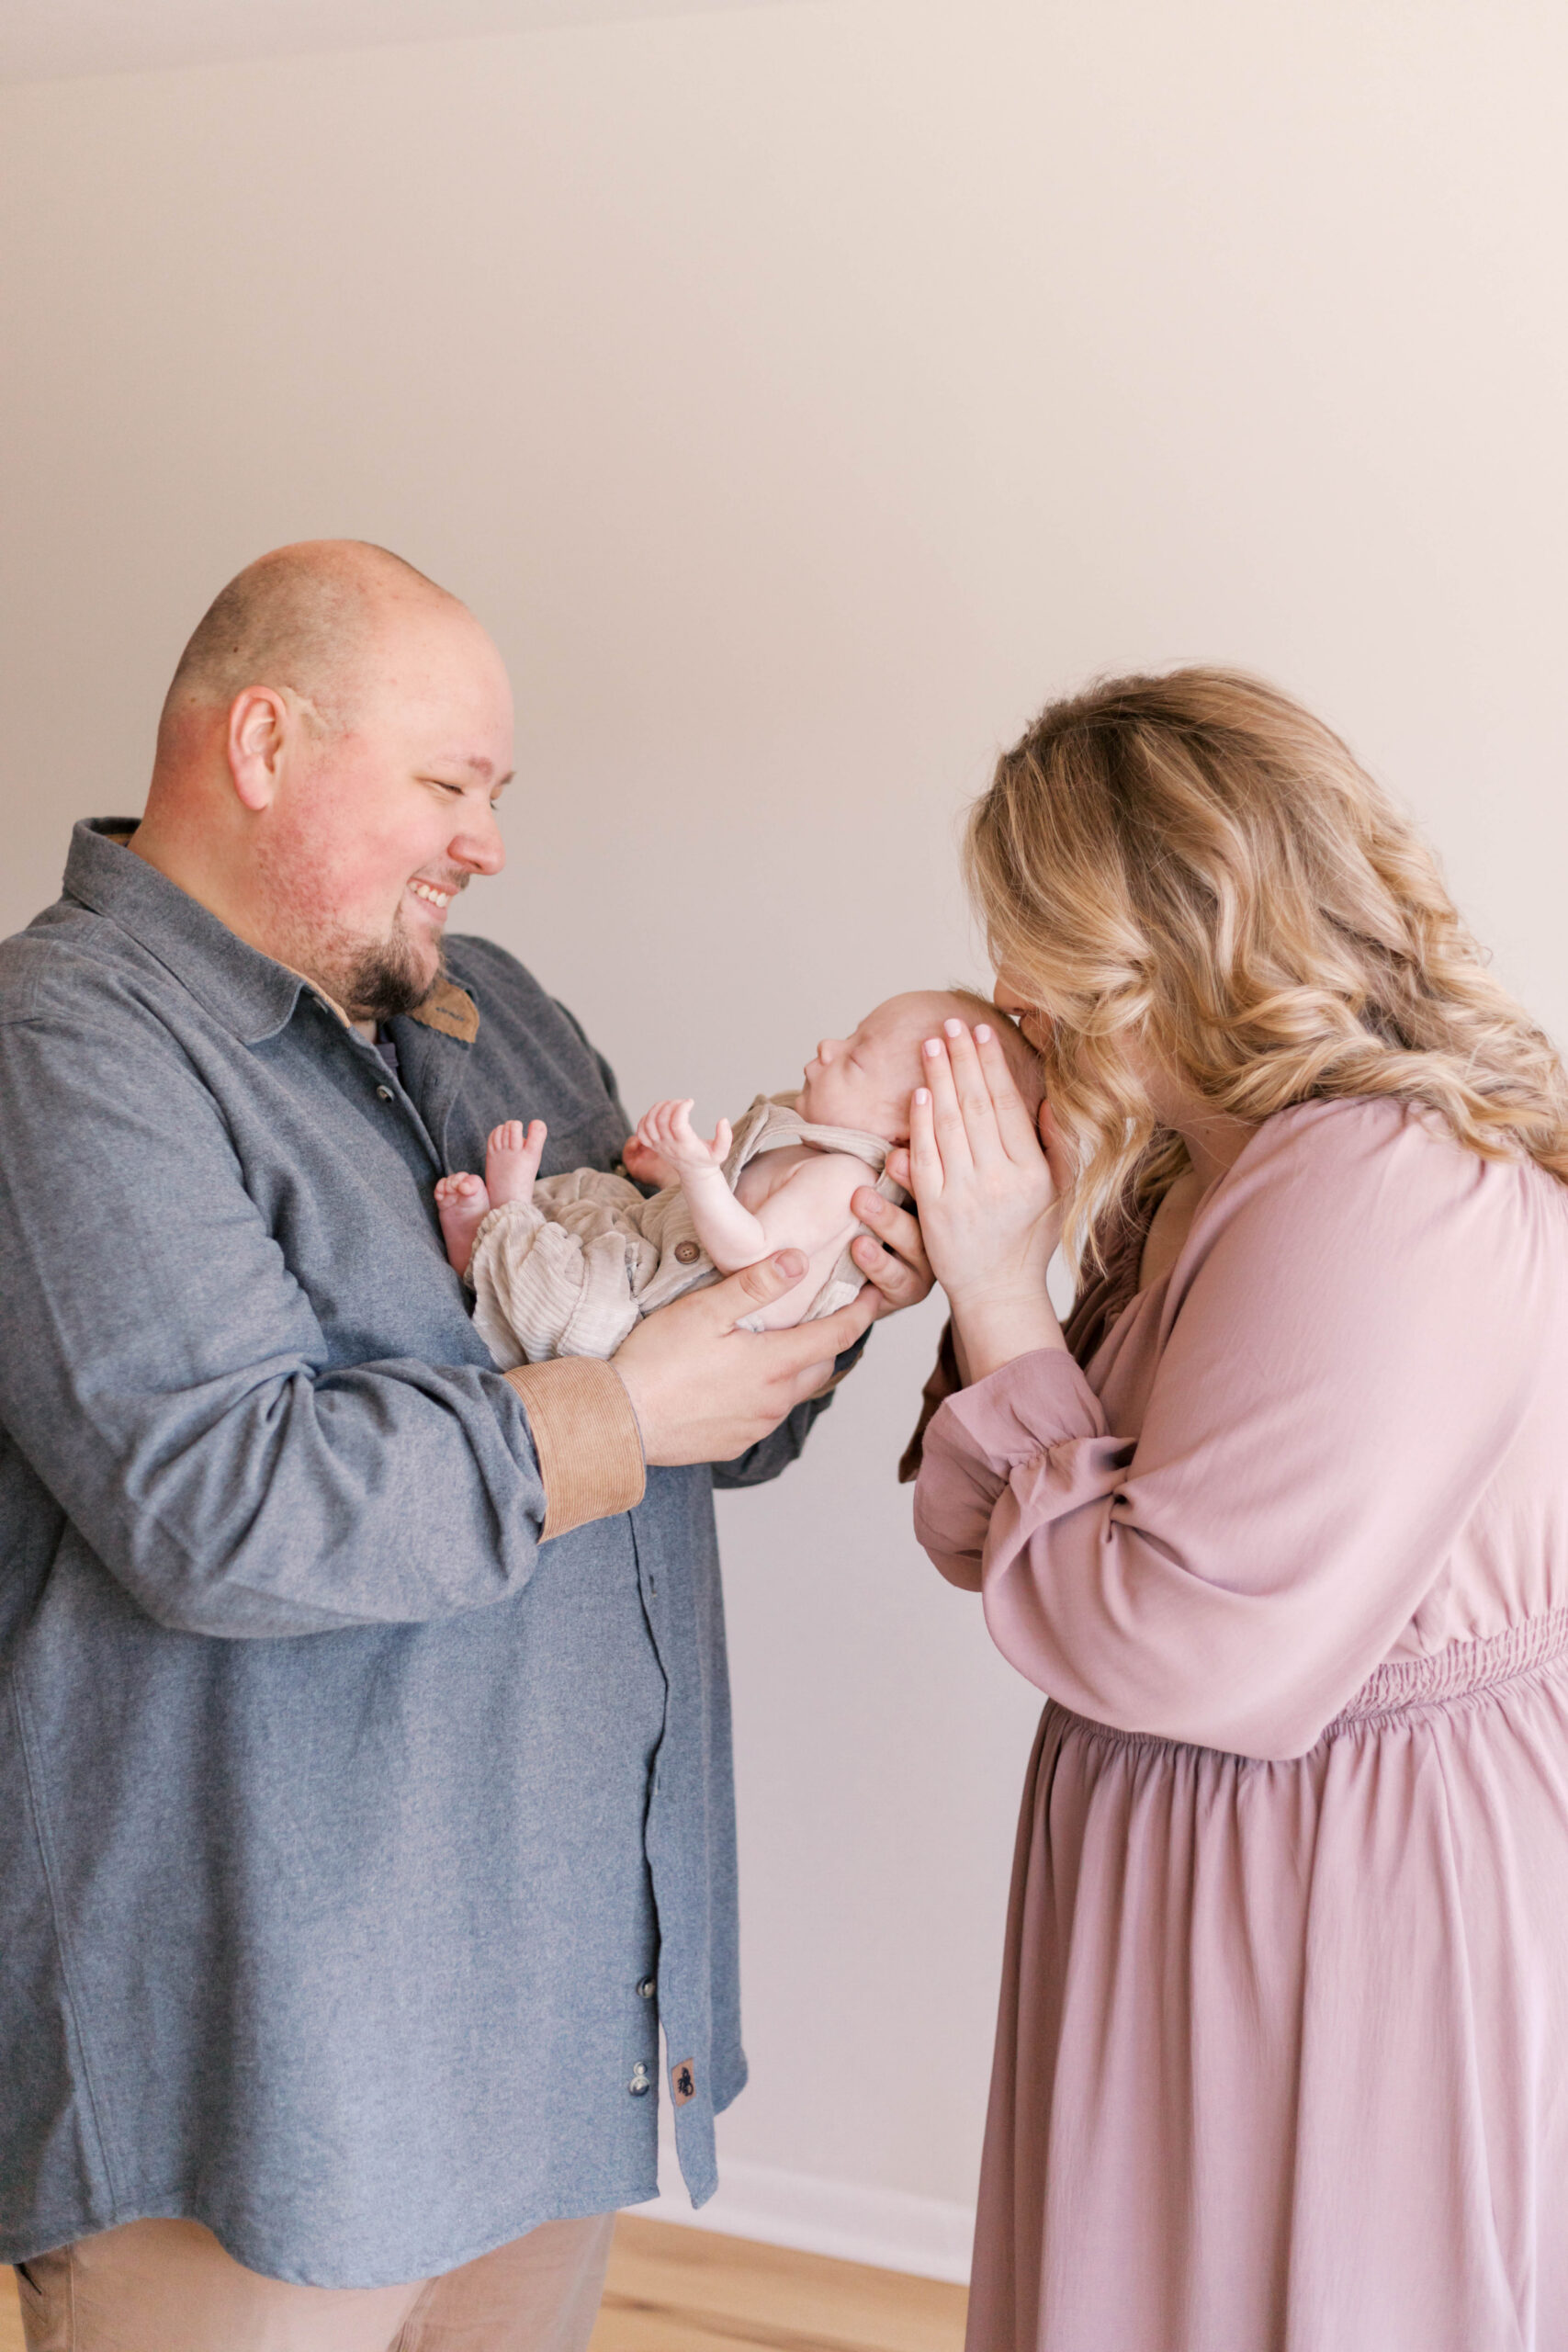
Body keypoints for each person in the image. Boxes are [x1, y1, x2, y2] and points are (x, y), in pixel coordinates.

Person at [0, 540, 932, 2352]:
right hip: (265, 2084)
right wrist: (630, 1402)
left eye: (496, 792)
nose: (485, 838)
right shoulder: (65, 1046)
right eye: (446, 784)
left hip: (553, 2013)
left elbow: (672, 1432)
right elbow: (222, 1503)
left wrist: (804, 1314)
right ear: (261, 741)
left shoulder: (491, 1002)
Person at [898, 669, 1568, 2352]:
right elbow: (987, 1536)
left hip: (1337, 1881)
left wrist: (999, 1288)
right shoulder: (1219, 1160)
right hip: (1225, 1856)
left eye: (1031, 932)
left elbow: (1185, 1638)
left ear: (1164, 931)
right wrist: (1005, 1270)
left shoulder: (1380, 1184)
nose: (1004, 985)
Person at [433, 990, 1043, 1363]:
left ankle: (500, 1219)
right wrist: (674, 1171)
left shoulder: (841, 1182)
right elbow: (743, 1195)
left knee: (569, 1311)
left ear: (908, 1133)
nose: (828, 1046)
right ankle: (489, 1249)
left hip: (652, 1321)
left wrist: (698, 1175)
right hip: (659, 1262)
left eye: (855, 1055)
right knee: (599, 1193)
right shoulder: (806, 1134)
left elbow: (749, 1258)